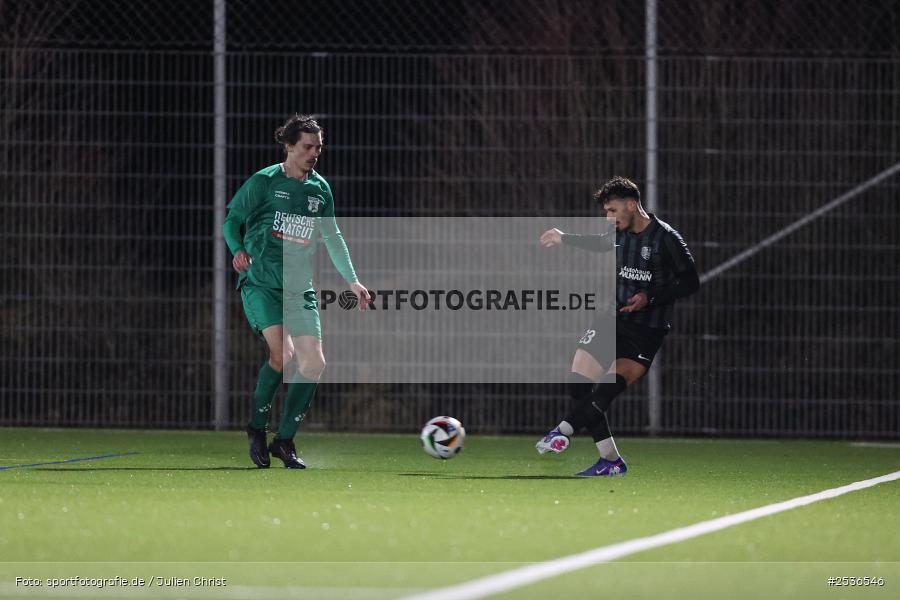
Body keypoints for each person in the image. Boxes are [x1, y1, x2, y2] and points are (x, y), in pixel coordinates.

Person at [223, 114, 370, 469]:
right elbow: (231, 220)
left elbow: (332, 237)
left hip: (298, 288)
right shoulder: (264, 182)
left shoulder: (319, 190)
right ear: (288, 146)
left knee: (314, 363)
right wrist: (237, 249)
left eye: (318, 147)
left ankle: (284, 440)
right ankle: (257, 428)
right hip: (261, 283)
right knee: (283, 356)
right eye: (307, 146)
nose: (314, 152)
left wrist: (352, 280)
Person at [536, 176, 699, 476]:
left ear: (632, 204)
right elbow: (600, 244)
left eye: (612, 210)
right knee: (578, 384)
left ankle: (563, 430)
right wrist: (564, 236)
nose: (609, 217)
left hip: (645, 332)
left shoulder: (666, 239)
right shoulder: (618, 230)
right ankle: (610, 460)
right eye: (606, 212)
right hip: (612, 320)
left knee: (605, 392)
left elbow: (691, 282)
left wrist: (649, 297)